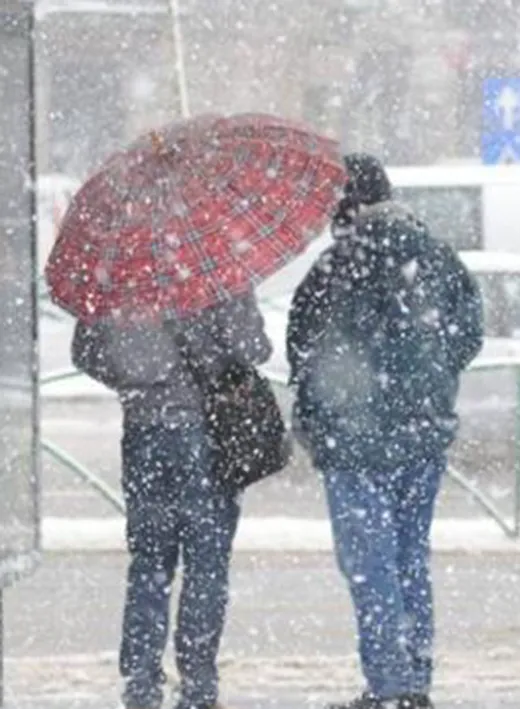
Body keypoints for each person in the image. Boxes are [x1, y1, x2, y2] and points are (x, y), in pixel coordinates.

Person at [287, 154, 484, 709]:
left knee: (370, 565)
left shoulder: (334, 269)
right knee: (409, 556)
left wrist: (330, 406)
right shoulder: (437, 258)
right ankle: (414, 678)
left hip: (352, 444)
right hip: (422, 436)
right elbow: (468, 335)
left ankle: (389, 684)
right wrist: (427, 379)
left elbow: (300, 351)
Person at [72, 296, 272, 709]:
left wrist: (136, 381)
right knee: (206, 564)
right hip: (209, 432)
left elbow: (86, 354)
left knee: (149, 563)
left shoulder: (120, 269)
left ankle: (141, 685)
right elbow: (254, 348)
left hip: (144, 432)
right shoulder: (216, 269)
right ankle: (198, 686)